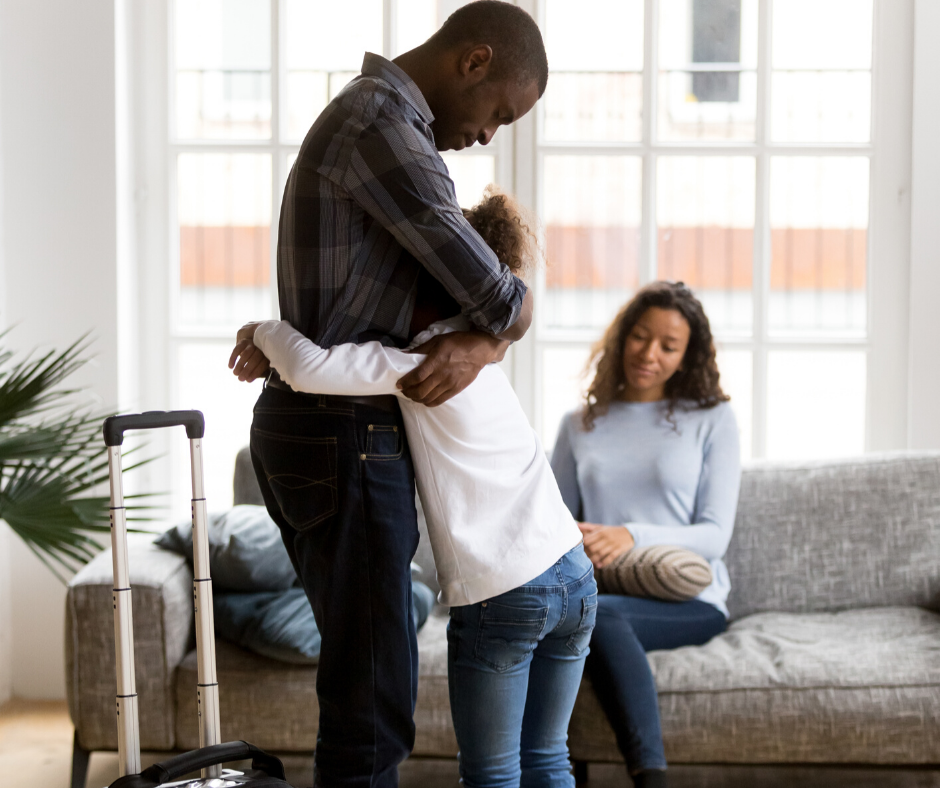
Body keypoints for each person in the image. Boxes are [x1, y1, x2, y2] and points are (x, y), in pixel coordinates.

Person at [243, 3, 549, 785]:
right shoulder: (388, 131)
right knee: (373, 701)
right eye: (498, 116)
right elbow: (503, 301)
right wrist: (488, 337)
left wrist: (481, 341)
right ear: (473, 61)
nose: (488, 136)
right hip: (341, 432)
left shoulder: (373, 122)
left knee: (363, 685)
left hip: (321, 425)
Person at [231, 189, 597, 788]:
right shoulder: (480, 356)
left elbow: (309, 369)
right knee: (547, 760)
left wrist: (265, 329)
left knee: (494, 772)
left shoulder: (420, 362)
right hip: (574, 576)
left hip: (505, 592)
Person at [550, 282, 742, 788]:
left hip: (689, 598)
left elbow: (715, 536)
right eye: (639, 337)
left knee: (600, 619)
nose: (649, 354)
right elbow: (554, 524)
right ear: (621, 338)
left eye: (668, 346)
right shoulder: (579, 423)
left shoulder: (713, 420)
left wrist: (631, 534)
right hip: (603, 587)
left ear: (688, 355)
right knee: (566, 621)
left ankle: (650, 779)